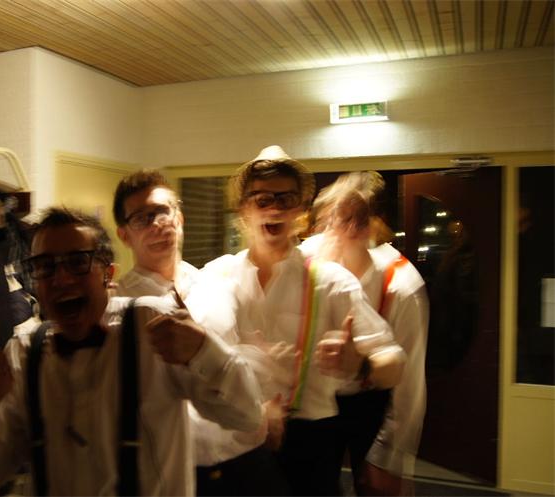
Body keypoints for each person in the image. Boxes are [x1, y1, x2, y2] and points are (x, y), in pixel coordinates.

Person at [0, 206, 263, 496]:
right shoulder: (23, 352)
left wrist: (204, 350)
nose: (61, 279)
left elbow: (246, 414)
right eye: (45, 267)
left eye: (77, 262)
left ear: (108, 274)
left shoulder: (153, 326)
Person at [203, 145, 406, 496]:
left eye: (286, 198)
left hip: (309, 444)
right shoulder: (216, 276)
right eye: (262, 198)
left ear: (300, 209)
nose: (275, 208)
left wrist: (361, 364)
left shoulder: (332, 281)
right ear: (243, 210)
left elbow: (394, 363)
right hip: (232, 439)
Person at [111, 169, 288, 496]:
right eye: (142, 218)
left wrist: (266, 402)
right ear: (124, 235)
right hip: (176, 471)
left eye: (164, 211)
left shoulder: (218, 285)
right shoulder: (118, 309)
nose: (158, 224)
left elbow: (248, 351)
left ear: (180, 218)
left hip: (245, 456)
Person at [302, 171, 429, 495]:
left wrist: (389, 458)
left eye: (350, 221)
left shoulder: (402, 286)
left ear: (373, 227)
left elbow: (409, 384)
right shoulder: (308, 258)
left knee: (378, 489)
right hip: (317, 397)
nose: (332, 231)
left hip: (372, 400)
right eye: (326, 220)